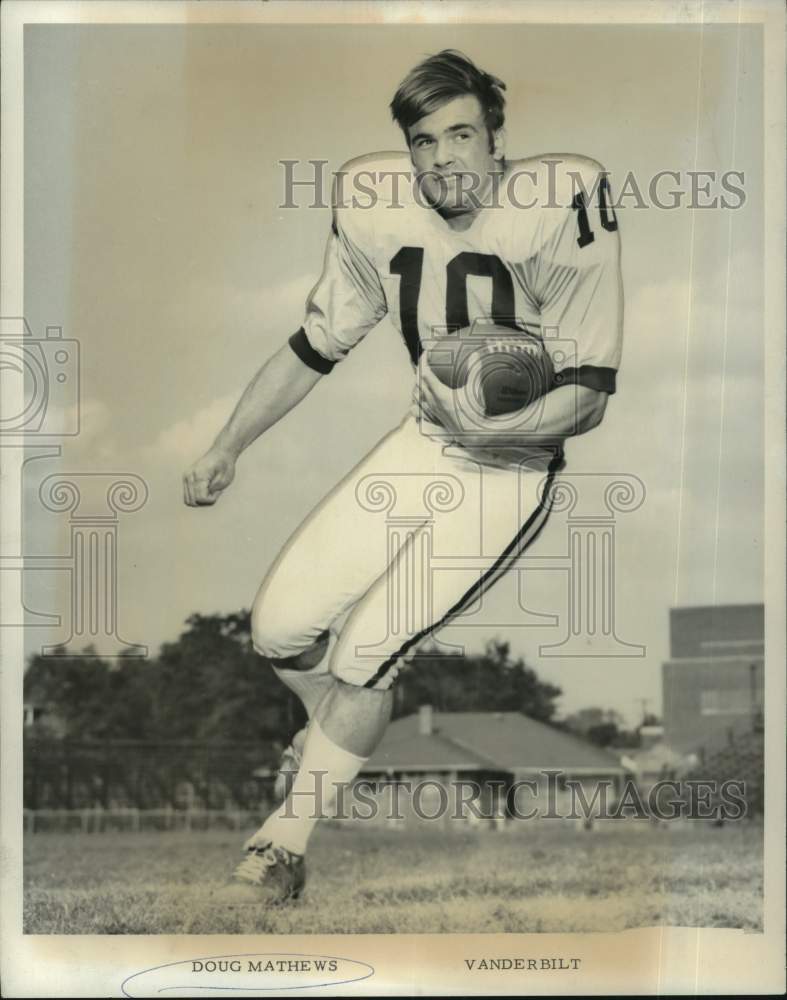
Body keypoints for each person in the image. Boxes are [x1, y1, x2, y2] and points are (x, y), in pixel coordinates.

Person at [183, 49, 622, 903]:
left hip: (511, 466)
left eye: (461, 135)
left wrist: (495, 422)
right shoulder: (373, 202)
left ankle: (279, 850)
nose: (442, 159)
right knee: (277, 630)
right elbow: (315, 346)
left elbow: (591, 395)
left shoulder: (562, 202)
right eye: (424, 142)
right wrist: (226, 445)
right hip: (421, 444)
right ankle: (341, 735)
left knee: (369, 650)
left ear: (497, 141)